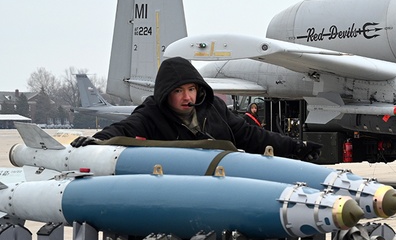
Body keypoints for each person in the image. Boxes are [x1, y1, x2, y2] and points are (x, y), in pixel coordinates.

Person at [70, 57, 320, 161]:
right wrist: (96, 141)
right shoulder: (151, 114)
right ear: (166, 93)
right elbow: (123, 128)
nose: (187, 97)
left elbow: (251, 136)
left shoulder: (213, 109)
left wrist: (296, 147)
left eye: (191, 89)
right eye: (178, 91)